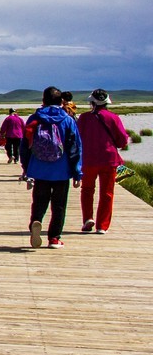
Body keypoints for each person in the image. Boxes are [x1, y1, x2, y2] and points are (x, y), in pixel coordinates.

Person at [24, 86, 82, 249]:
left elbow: (25, 146)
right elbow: (75, 148)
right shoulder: (68, 120)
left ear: (43, 101)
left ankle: (36, 222)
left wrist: (26, 169)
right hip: (62, 171)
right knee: (59, 205)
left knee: (39, 201)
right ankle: (54, 238)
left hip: (39, 170)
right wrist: (77, 172)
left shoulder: (34, 119)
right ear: (61, 101)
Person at [77, 88, 128, 234]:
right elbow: (123, 140)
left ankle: (87, 218)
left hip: (88, 160)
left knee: (87, 190)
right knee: (107, 193)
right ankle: (102, 226)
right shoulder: (113, 117)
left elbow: (77, 138)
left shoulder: (84, 118)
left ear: (92, 102)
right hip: (109, 160)